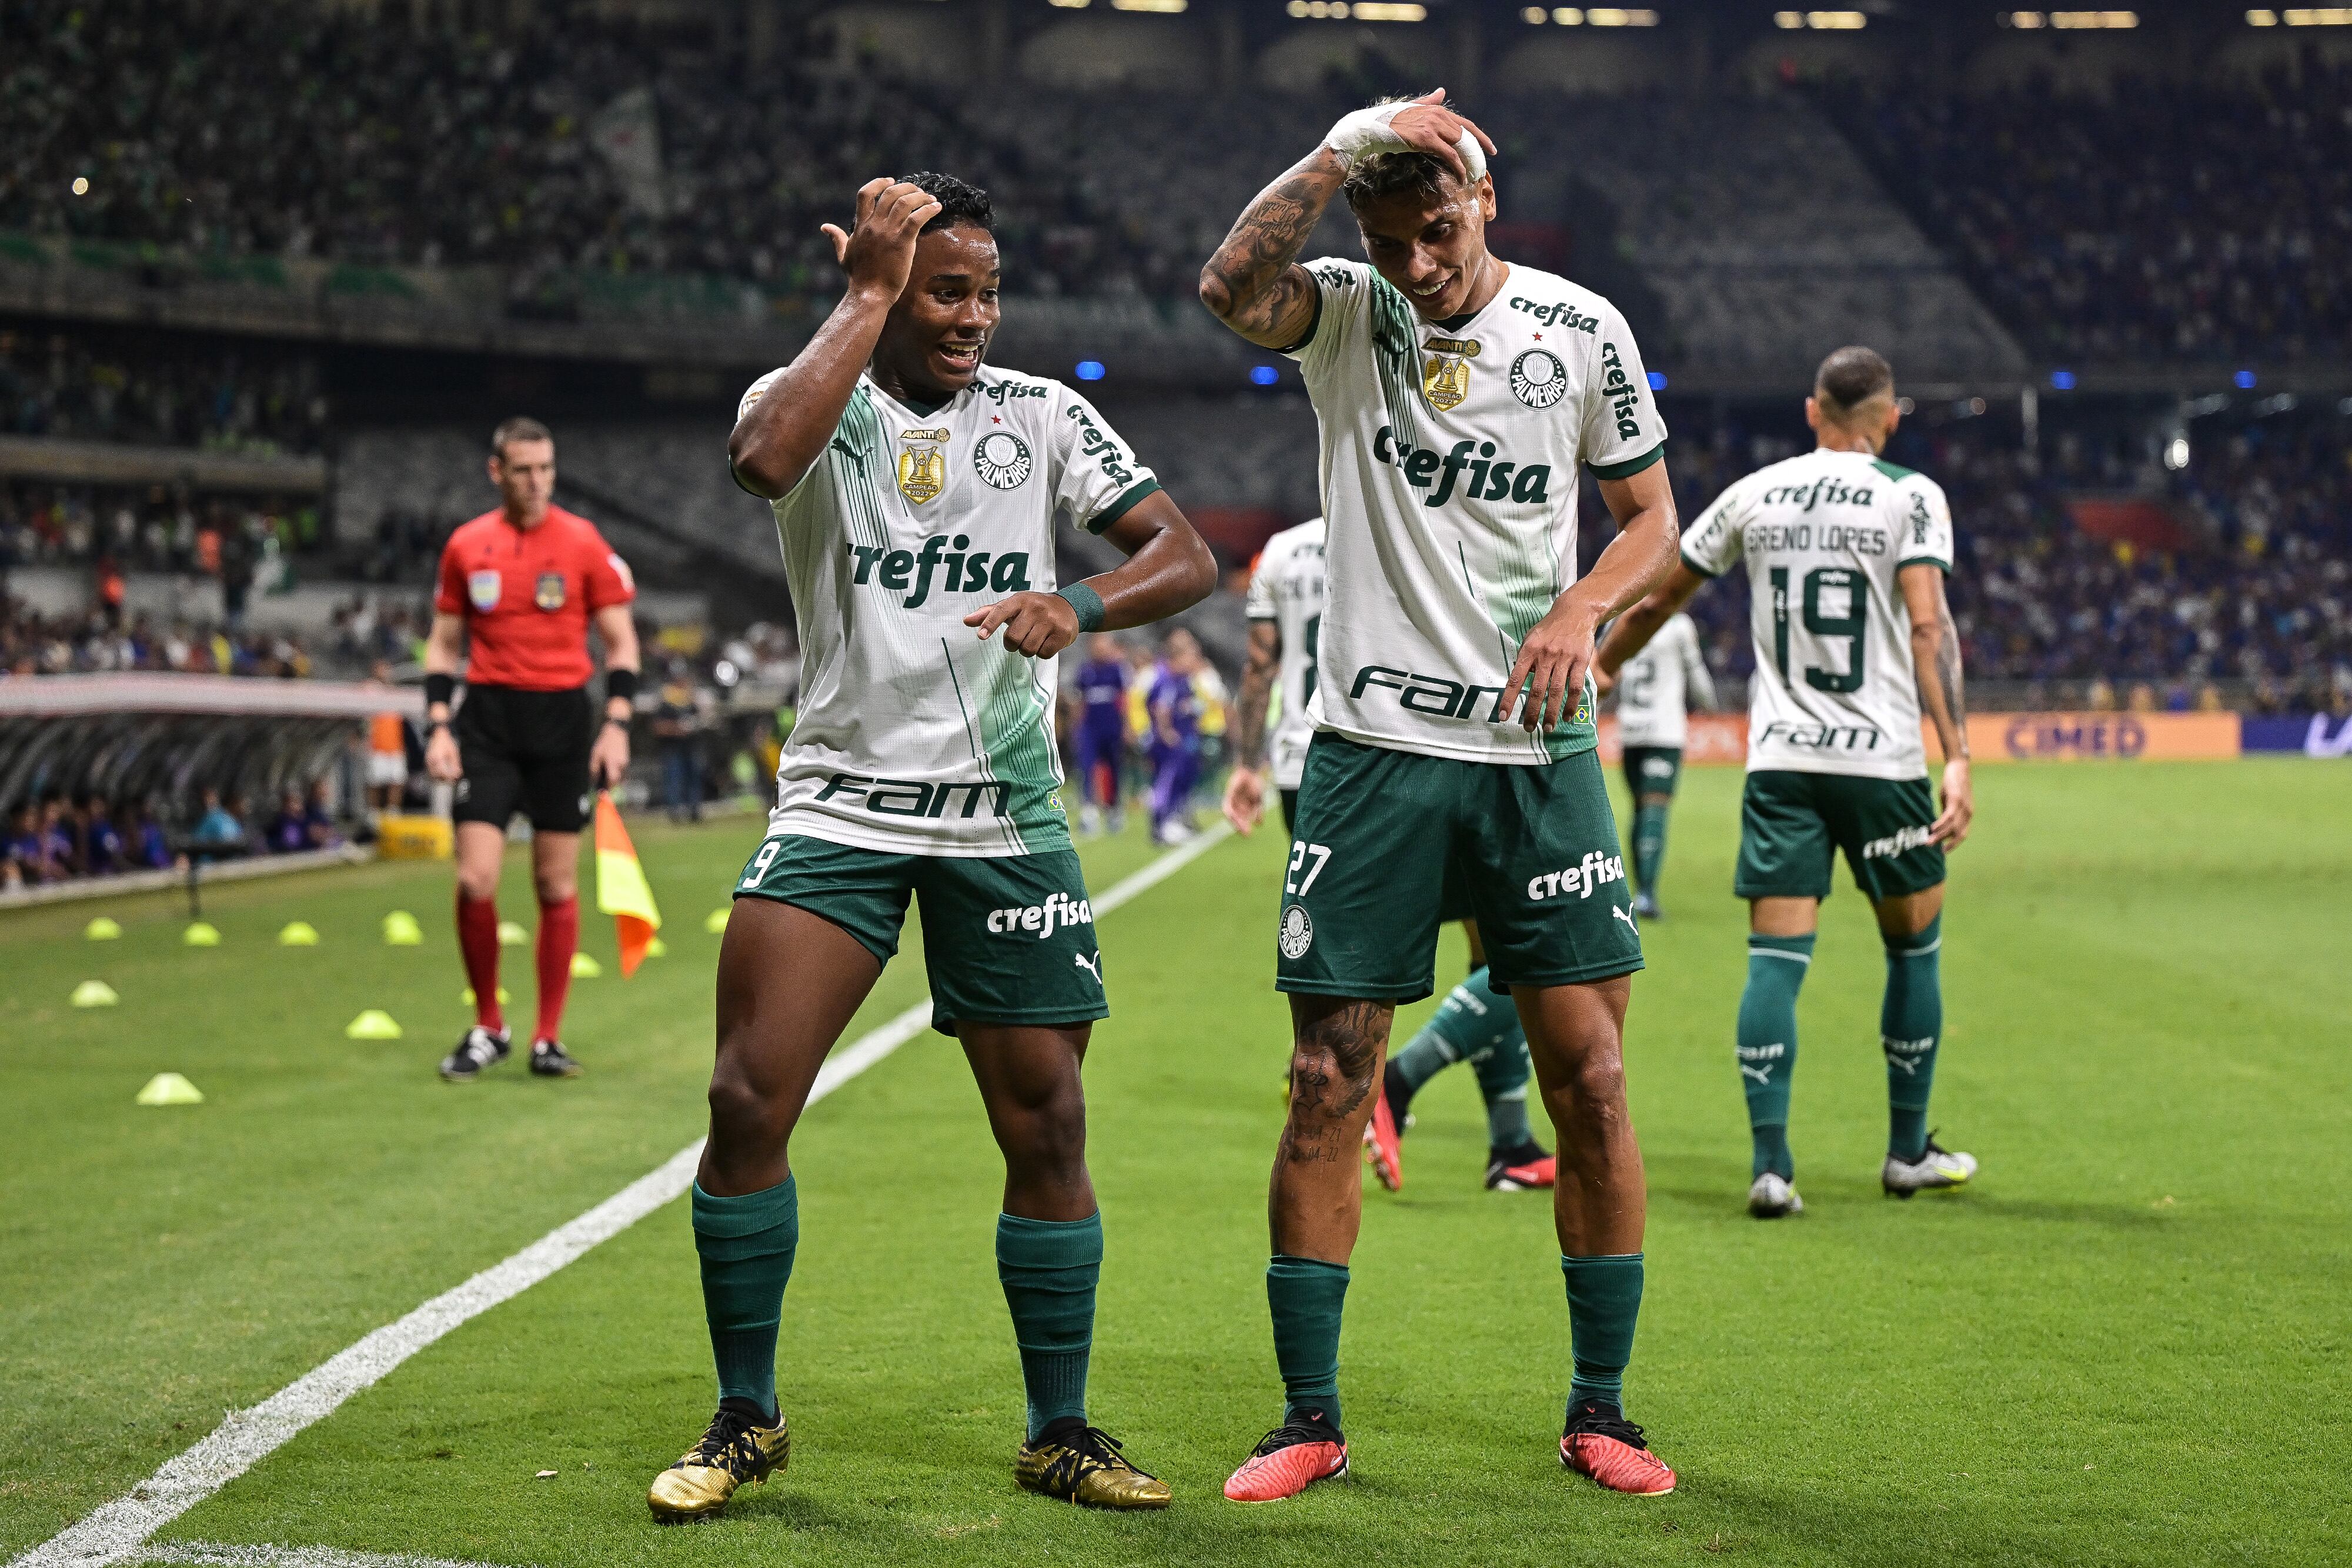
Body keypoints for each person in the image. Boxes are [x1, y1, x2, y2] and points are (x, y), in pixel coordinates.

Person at [647, 171, 1215, 1523]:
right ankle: (746, 1414)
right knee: (745, 1101)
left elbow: (1180, 554)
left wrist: (1076, 600)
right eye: (942, 290)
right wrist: (862, 296)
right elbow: (760, 463)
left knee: (1049, 1122)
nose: (970, 317)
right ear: (889, 289)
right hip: (840, 803)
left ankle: (1059, 1428)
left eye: (984, 292)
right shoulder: (807, 404)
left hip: (1003, 818)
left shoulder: (1043, 415)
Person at [1199, 89, 1683, 1499]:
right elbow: (1228, 285)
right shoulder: (1346, 313)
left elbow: (1651, 514)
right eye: (1386, 234)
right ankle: (1307, 1420)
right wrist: (1340, 150)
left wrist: (1582, 610)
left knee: (1588, 1079)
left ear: (1484, 197)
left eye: (1437, 230)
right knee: (1324, 1080)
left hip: (1535, 754)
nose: (1415, 263)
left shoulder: (1582, 329)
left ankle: (1602, 1411)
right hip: (1368, 753)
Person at [1595, 345, 1977, 1221]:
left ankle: (1771, 1166)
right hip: (1880, 761)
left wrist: (1605, 667)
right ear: (1889, 417)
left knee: (1774, 960)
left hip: (1783, 763)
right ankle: (1907, 1149)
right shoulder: (1911, 495)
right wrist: (1954, 750)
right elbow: (1929, 627)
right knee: (1912, 946)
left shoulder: (1753, 494)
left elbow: (1656, 598)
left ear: (1813, 411)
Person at [1225, 518, 1555, 1193]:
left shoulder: (1280, 552)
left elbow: (1260, 663)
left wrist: (1245, 764)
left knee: (1346, 958)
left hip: (1309, 768)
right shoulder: (1414, 524)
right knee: (1509, 956)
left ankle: (1509, 1144)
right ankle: (1396, 1087)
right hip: (1408, 756)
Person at [423, 416, 640, 1083]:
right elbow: (443, 644)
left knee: (554, 883)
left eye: (546, 468)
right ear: (497, 472)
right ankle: (489, 1024)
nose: (537, 481)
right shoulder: (466, 546)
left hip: (562, 725)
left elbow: (621, 644)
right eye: (523, 469)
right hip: (488, 724)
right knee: (474, 878)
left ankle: (547, 1037)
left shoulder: (582, 543)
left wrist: (616, 724)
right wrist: (437, 723)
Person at [1608, 610, 1716, 920]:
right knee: (1654, 810)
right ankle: (1645, 895)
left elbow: (1605, 667)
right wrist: (1710, 704)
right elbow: (1695, 672)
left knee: (1641, 809)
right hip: (1664, 732)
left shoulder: (1624, 618)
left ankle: (1638, 890)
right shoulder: (1679, 624)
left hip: (1629, 731)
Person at [1145, 628, 1205, 845]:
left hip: (1184, 740)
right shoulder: (1166, 678)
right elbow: (1160, 707)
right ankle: (1160, 826)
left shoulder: (1182, 679)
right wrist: (1166, 733)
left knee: (1181, 781)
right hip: (1169, 745)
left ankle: (1174, 821)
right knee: (1166, 783)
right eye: (1191, 654)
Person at [1069, 634, 1128, 835]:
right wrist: (1077, 728)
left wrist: (1127, 727)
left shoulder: (1117, 671)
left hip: (1112, 729)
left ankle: (1114, 810)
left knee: (1113, 769)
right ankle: (1089, 813)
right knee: (1087, 769)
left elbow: (1124, 700)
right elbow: (1080, 702)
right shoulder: (1085, 672)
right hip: (1090, 730)